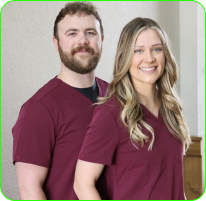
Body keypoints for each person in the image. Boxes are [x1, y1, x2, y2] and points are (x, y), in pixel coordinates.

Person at [74, 17, 191, 200]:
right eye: (138, 51)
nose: (149, 58)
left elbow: (174, 183)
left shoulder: (171, 110)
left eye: (157, 49)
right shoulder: (110, 113)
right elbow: (82, 184)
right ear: (125, 57)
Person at [12, 1, 108, 200]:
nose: (83, 40)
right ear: (56, 43)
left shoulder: (117, 96)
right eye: (72, 33)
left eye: (90, 33)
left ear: (102, 39)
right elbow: (30, 191)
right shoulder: (39, 109)